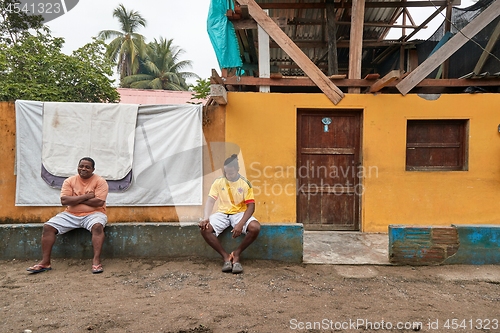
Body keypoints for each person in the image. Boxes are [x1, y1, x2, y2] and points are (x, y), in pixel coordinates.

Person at [27, 157, 109, 274]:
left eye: (87, 167)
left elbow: (99, 202)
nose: (83, 169)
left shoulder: (100, 181)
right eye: (81, 166)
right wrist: (86, 197)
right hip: (70, 214)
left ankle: (96, 261)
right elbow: (64, 201)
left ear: (93, 169)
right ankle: (45, 262)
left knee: (97, 226)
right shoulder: (69, 181)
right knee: (48, 227)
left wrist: (74, 199)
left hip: (94, 214)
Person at [199, 154, 261, 274]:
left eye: (231, 173)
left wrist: (240, 224)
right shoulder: (218, 182)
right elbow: (210, 201)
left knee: (255, 227)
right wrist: (206, 218)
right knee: (204, 228)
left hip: (239, 213)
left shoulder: (245, 183)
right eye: (226, 173)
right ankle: (226, 257)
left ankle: (236, 254)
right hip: (222, 213)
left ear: (237, 170)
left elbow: (251, 206)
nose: (228, 176)